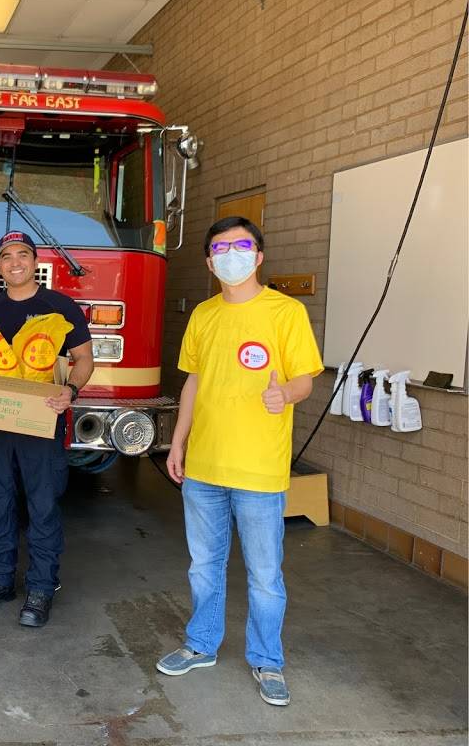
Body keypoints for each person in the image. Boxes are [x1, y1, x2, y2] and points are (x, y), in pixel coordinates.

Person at [156, 216, 323, 707]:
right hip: (204, 465)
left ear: (259, 255)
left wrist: (284, 394)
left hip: (258, 467)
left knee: (265, 574)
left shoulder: (285, 312)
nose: (231, 253)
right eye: (221, 248)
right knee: (204, 566)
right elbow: (193, 383)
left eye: (241, 245)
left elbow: (306, 380)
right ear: (209, 262)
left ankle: (267, 660)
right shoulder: (204, 315)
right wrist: (178, 443)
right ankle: (202, 644)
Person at [0, 231, 94, 628]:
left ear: (34, 261)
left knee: (42, 505)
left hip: (42, 420)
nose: (14, 262)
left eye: (22, 254)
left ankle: (40, 586)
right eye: (6, 256)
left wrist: (70, 390)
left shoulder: (59, 306)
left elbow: (83, 359)